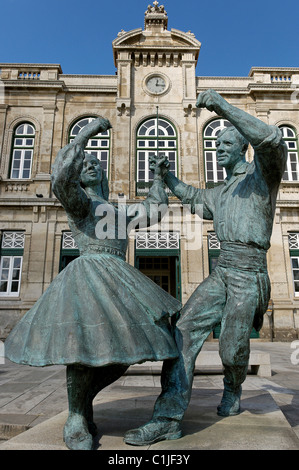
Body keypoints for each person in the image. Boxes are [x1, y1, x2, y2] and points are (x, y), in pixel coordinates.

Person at [4, 117, 181, 451]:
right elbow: (59, 180)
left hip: (119, 278)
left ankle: (84, 404)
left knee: (129, 350)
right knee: (82, 350)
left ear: (103, 173)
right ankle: (75, 416)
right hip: (87, 277)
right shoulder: (81, 204)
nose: (90, 166)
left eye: (95, 164)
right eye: (83, 163)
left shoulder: (116, 209)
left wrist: (159, 176)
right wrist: (84, 135)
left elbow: (154, 210)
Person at [124, 89, 288, 446]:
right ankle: (167, 417)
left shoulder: (262, 176)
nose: (218, 149)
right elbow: (196, 198)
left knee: (231, 349)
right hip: (223, 269)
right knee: (183, 329)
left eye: (225, 143)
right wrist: (168, 180)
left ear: (241, 146)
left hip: (250, 272)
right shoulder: (223, 191)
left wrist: (222, 108)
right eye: (217, 144)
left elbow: (272, 140)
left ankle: (233, 386)